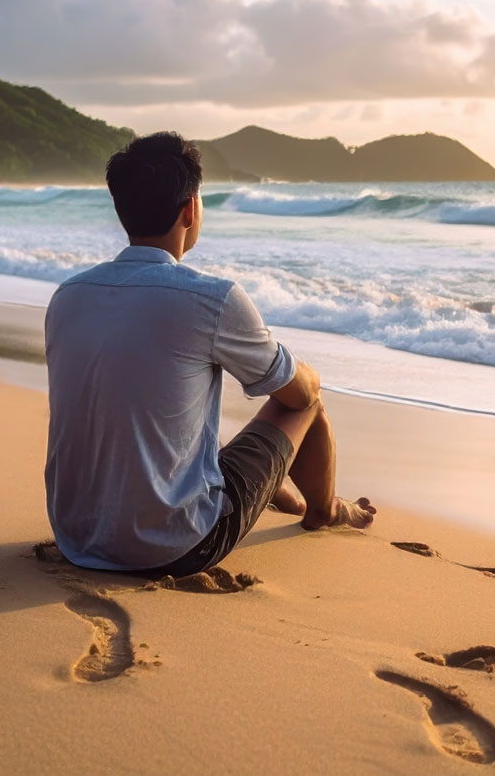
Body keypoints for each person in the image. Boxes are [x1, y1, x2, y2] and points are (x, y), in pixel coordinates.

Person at [43, 132, 374, 575]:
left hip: (77, 536)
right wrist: (305, 373)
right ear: (191, 208)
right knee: (308, 399)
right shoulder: (210, 299)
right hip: (177, 545)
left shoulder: (69, 295)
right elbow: (296, 396)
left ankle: (280, 490)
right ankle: (325, 509)